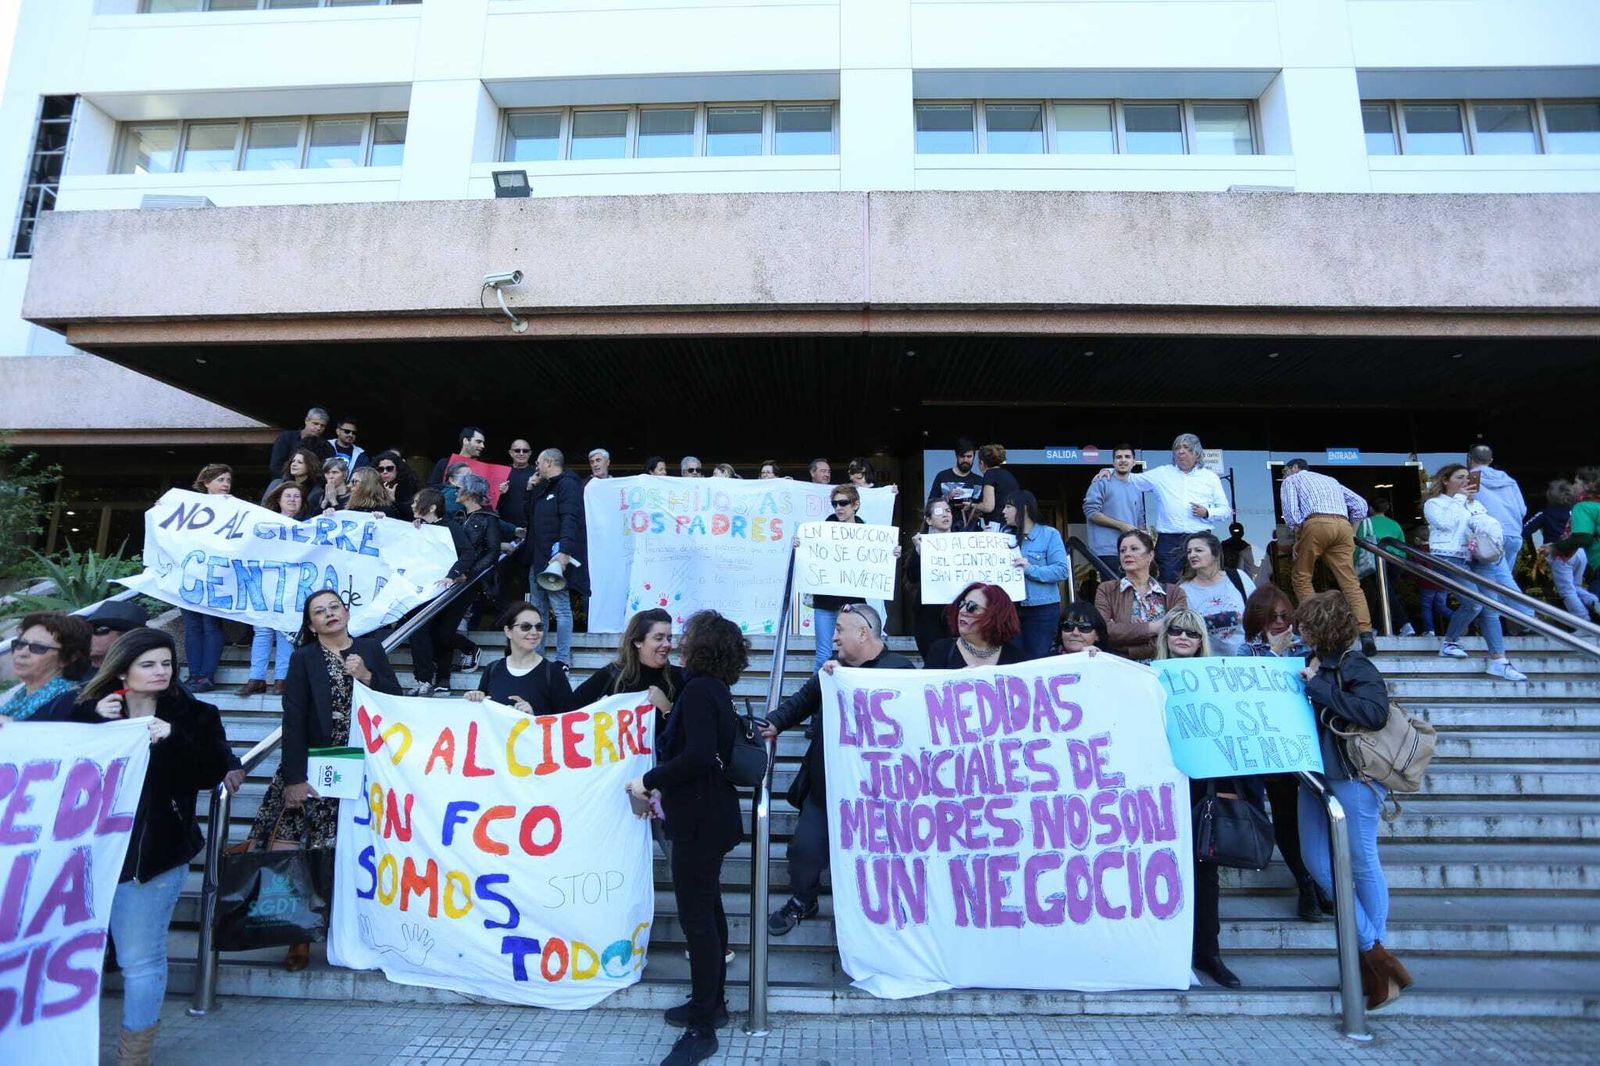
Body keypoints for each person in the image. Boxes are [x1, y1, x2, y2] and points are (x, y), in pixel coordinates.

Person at [69, 628, 231, 1065]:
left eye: (166, 663)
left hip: (152, 859)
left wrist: (172, 739)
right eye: (149, 664)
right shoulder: (86, 708)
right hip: (83, 858)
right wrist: (89, 721)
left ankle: (133, 1055)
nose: (161, 672)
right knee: (72, 955)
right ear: (123, 670)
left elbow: (215, 770)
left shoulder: (195, 715)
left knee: (140, 961)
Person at [250, 588, 402, 971]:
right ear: (311, 623)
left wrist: (365, 675)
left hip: (360, 768)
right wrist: (295, 778)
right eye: (320, 611)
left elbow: (397, 703)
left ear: (347, 611)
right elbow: (294, 717)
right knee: (295, 853)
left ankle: (343, 927)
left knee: (339, 854)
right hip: (314, 768)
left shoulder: (371, 649)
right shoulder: (304, 658)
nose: (330, 614)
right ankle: (296, 935)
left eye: (334, 607)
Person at [626, 611, 747, 1066]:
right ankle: (711, 1005)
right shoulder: (713, 688)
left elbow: (697, 755)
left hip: (698, 818)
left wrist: (650, 779)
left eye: (689, 635)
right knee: (708, 912)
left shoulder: (698, 691)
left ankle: (703, 1024)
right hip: (709, 816)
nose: (680, 641)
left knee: (698, 918)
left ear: (703, 644)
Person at [764, 603, 913, 937]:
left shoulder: (902, 669)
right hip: (828, 787)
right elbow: (800, 703)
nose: (833, 639)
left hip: (880, 794)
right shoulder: (832, 672)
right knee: (804, 850)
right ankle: (804, 899)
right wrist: (774, 723)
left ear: (863, 633)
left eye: (840, 631)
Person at [1295, 591, 1411, 1011]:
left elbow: (1374, 713)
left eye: (1306, 623)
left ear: (1323, 627)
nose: (1299, 629)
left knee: (1361, 860)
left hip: (1353, 776)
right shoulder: (1313, 664)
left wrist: (1319, 686)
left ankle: (1372, 962)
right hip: (1316, 776)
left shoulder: (1352, 664)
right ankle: (1377, 955)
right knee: (1316, 861)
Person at [1153, 607, 1240, 990]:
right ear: (1165, 635)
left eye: (1191, 633)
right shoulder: (1145, 676)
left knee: (1205, 875)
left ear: (1202, 638)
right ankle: (1165, 951)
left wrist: (1225, 788)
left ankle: (1208, 951)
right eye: (1175, 631)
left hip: (1200, 787)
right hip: (1157, 787)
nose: (1183, 638)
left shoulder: (1216, 679)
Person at [1241, 584, 1336, 924]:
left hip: (1313, 743)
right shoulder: (1245, 652)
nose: (1280, 623)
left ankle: (1324, 882)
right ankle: (1306, 884)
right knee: (1284, 815)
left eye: (1284, 616)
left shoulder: (1310, 647)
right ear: (1257, 619)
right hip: (1274, 747)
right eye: (1271, 617)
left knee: (1318, 815)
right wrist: (1274, 656)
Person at [1425, 464, 1527, 680]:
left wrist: (1488, 528)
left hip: (1478, 558)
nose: (1466, 482)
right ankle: (1450, 642)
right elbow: (1445, 524)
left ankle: (1499, 660)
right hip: (1449, 557)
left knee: (1490, 607)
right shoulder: (1434, 503)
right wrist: (1460, 499)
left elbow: (1486, 525)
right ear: (1445, 480)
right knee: (1474, 603)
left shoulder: (1475, 504)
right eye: (1460, 477)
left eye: (1468, 478)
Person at [409, 479, 503, 696]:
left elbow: (490, 552)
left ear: (470, 493)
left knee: (444, 632)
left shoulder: (488, 519)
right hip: (446, 582)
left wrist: (465, 575)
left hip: (467, 583)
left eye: (461, 489)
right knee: (433, 630)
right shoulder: (457, 517)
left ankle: (447, 671)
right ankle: (439, 678)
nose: (456, 492)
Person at [1100, 433, 1230, 584]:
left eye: (1186, 448)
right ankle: (1173, 609)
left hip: (1201, 538)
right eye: (1177, 448)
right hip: (1169, 541)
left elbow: (1225, 510)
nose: (1180, 451)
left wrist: (1207, 512)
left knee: (1205, 581)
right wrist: (1110, 471)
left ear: (1196, 453)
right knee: (1169, 584)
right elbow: (1132, 480)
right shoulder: (1162, 473)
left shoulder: (1210, 477)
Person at [1279, 458, 1376, 655]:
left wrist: (1298, 538)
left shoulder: (1292, 481)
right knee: (1350, 584)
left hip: (1315, 523)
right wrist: (1352, 531)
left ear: (1295, 468)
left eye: (1285, 470)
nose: (1284, 474)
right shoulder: (1330, 480)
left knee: (1301, 577)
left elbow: (1291, 514)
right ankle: (1365, 632)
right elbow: (1360, 504)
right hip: (1342, 526)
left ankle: (1317, 627)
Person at [241, 483, 308, 697]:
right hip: (265, 584)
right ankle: (256, 677)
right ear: (278, 500)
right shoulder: (264, 524)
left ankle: (282, 679)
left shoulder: (309, 526)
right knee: (262, 631)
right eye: (288, 496)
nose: (292, 500)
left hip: (291, 588)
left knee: (285, 631)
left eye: (297, 496)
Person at [525, 448, 589, 668]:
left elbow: (571, 518)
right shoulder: (543, 486)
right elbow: (530, 518)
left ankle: (563, 658)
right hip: (538, 556)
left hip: (555, 557)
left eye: (538, 462)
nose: (536, 467)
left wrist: (564, 550)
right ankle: (537, 656)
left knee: (560, 608)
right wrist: (530, 490)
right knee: (537, 610)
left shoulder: (568, 484)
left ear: (549, 462)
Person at [572, 607, 683, 721]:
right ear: (638, 641)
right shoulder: (612, 674)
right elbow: (570, 712)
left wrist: (667, 708)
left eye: (669, 638)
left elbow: (690, 728)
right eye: (659, 638)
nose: (667, 644)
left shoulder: (680, 677)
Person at [1094, 529, 1188, 662]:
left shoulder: (1175, 593)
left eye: (1134, 549)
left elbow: (1177, 633)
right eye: (1123, 550)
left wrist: (1128, 642)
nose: (1127, 554)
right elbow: (1103, 631)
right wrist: (1153, 628)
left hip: (1165, 666)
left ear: (1150, 555)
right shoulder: (1107, 590)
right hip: (1122, 666)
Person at [463, 602, 573, 715]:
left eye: (539, 627)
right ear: (508, 631)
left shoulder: (554, 673)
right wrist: (475, 698)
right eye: (526, 627)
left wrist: (534, 715)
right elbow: (483, 716)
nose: (534, 632)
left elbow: (566, 721)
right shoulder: (492, 669)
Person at [182, 463, 233, 692]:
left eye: (228, 481)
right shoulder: (188, 505)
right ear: (206, 483)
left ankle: (207, 675)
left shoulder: (235, 508)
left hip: (216, 574)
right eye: (221, 480)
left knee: (211, 623)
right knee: (192, 625)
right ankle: (194, 675)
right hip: (189, 573)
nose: (225, 485)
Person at [807, 483, 867, 670]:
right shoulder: (826, 527)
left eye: (843, 503)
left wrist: (892, 554)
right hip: (825, 600)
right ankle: (817, 698)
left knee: (853, 652)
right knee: (823, 655)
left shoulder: (868, 532)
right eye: (835, 504)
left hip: (853, 601)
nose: (838, 508)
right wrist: (801, 543)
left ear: (855, 505)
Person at [1003, 489, 1070, 659]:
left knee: (1037, 658)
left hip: (1043, 610)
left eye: (1008, 507)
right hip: (1010, 608)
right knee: (1012, 657)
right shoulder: (1004, 537)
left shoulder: (1050, 535)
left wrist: (1030, 569)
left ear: (1023, 508)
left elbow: (1062, 570)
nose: (1003, 511)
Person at [1, 611, 91, 720]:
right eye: (20, 644)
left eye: (39, 648)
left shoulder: (72, 705)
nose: (22, 653)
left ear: (67, 658)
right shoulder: (19, 697)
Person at [1180, 531, 1255, 656]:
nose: (1192, 555)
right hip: (1208, 664)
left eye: (1198, 550)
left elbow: (1260, 614)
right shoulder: (1184, 590)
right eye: (1189, 551)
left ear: (1215, 554)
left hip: (1247, 660)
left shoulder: (1238, 578)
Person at [1467, 444, 1528, 594]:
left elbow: (1468, 504)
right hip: (1513, 534)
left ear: (1470, 459)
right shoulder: (1509, 480)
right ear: (1491, 460)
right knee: (1503, 584)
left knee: (1490, 588)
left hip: (1488, 538)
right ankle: (1512, 614)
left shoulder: (1473, 478)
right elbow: (1523, 510)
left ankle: (1524, 613)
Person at [923, 582, 1025, 668]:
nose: (962, 611)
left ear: (994, 616)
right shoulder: (940, 651)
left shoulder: (1016, 659)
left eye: (971, 607)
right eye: (962, 604)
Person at [1082, 444, 1145, 576]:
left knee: (1130, 593)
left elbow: (1140, 520)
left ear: (1134, 462)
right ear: (1113, 462)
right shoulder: (1102, 481)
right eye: (1119, 457)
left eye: (1127, 457)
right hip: (1107, 551)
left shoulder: (1137, 488)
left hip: (1131, 551)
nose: (1123, 460)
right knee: (1114, 592)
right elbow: (1091, 512)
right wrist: (1122, 526)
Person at [1357, 498, 1414, 636]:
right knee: (1384, 594)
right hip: (1395, 561)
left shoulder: (1365, 523)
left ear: (1370, 508)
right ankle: (1375, 628)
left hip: (1376, 561)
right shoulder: (1394, 524)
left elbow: (1358, 544)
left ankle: (1405, 624)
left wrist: (1353, 566)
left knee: (1385, 594)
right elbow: (1403, 546)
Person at [909, 498, 956, 656]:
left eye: (948, 511)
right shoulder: (922, 544)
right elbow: (913, 576)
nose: (945, 515)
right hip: (928, 612)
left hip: (956, 609)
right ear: (928, 520)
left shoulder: (962, 543)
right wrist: (918, 552)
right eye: (939, 512)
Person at [1555, 468, 1600, 599]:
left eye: (1576, 482)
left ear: (1587, 485)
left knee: (1594, 602)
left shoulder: (1584, 506)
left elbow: (1583, 538)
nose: (1573, 486)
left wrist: (1555, 548)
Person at [82, 598, 151, 670]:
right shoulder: (74, 674)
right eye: (87, 630)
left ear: (126, 637)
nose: (89, 635)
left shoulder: (142, 675)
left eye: (100, 629)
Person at [1411, 523, 1453, 637]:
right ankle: (1458, 620)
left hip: (1426, 585)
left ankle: (1429, 630)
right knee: (1442, 607)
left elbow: (1415, 568)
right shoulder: (1438, 550)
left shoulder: (1418, 552)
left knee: (1426, 608)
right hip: (1442, 584)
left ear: (1416, 539)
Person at [268, 406, 332, 473]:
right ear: (306, 420)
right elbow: (276, 466)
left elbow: (327, 468)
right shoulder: (286, 437)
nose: (319, 428)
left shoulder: (326, 445)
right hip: (284, 479)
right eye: (315, 423)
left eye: (322, 426)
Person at [926, 438, 983, 511]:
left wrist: (972, 505)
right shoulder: (942, 476)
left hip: (970, 521)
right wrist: (947, 497)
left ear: (974, 457)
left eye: (969, 456)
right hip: (947, 521)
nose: (965, 460)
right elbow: (930, 505)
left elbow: (984, 508)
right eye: (962, 456)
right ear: (956, 456)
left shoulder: (979, 480)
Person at [972, 443, 1019, 532]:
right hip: (1012, 526)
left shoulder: (989, 474)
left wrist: (972, 506)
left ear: (982, 463)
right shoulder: (1008, 475)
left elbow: (988, 506)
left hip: (997, 527)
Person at [372, 449, 418, 518]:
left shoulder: (409, 484)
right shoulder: (373, 485)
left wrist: (393, 501)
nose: (385, 472)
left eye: (389, 468)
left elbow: (412, 514)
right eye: (381, 469)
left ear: (397, 469)